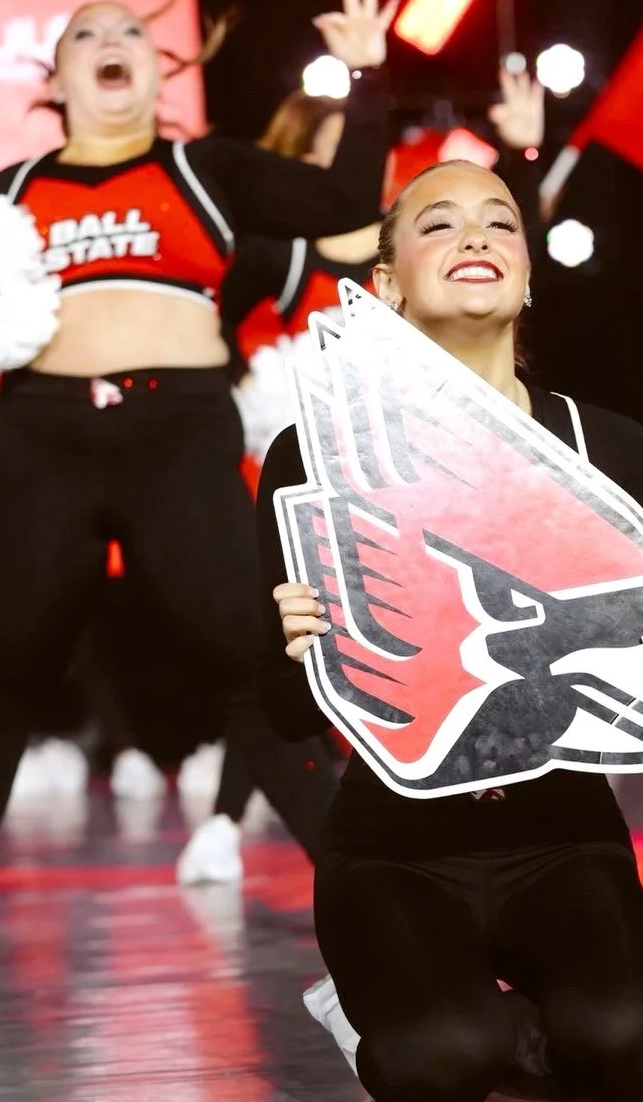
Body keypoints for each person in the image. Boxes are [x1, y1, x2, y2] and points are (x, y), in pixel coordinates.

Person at [0, 0, 397, 974]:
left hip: (175, 434)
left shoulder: (206, 168)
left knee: (257, 664)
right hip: (42, 436)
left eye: (130, 32)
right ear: (54, 77)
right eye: (84, 33)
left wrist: (365, 74)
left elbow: (347, 203)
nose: (110, 40)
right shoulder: (5, 195)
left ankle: (367, 891)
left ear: (159, 67)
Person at [256, 159, 643, 1102]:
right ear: (384, 284)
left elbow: (639, 660)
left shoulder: (609, 446)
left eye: (499, 223)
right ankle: (397, 1004)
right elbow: (288, 712)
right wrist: (288, 643)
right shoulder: (318, 452)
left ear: (528, 270)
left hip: (563, 837)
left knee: (641, 1048)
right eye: (439, 225)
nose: (475, 238)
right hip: (397, 848)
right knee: (436, 1068)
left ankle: (465, 1001)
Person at [189, 69, 548, 873]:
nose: (359, 171)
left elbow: (519, 252)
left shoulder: (425, 262)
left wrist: (524, 154)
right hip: (299, 466)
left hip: (410, 466)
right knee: (293, 640)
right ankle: (232, 819)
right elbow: (199, 327)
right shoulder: (280, 259)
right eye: (339, 154)